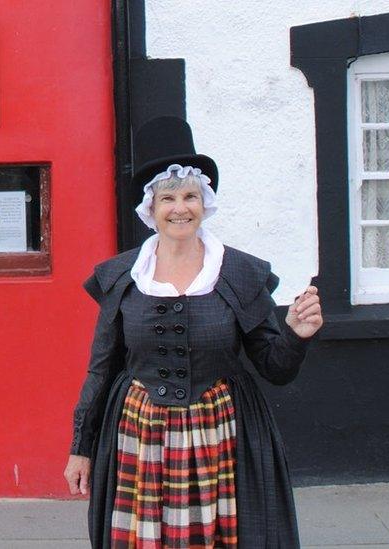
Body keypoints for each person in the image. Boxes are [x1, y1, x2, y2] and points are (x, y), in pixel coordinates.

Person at [64, 116, 323, 548]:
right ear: (151, 207)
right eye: (168, 198)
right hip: (139, 435)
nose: (180, 207)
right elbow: (100, 369)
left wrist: (296, 334)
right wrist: (81, 447)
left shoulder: (239, 272)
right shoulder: (123, 277)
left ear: (204, 203)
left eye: (190, 196)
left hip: (220, 433)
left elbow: (274, 368)